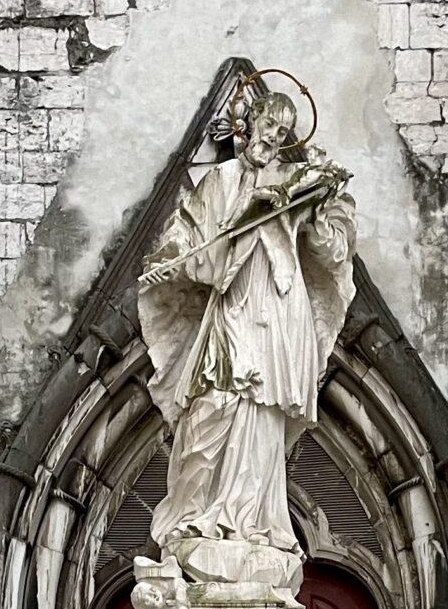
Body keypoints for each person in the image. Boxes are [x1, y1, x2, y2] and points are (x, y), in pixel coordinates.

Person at [138, 87, 356, 566]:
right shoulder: (222, 180)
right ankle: (199, 514)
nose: (272, 138)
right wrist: (172, 261)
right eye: (267, 126)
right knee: (214, 402)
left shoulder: (296, 182)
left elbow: (334, 251)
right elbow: (190, 238)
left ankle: (255, 521)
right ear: (248, 124)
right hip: (234, 302)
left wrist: (316, 210)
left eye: (282, 133)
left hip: (279, 310)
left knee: (263, 413)